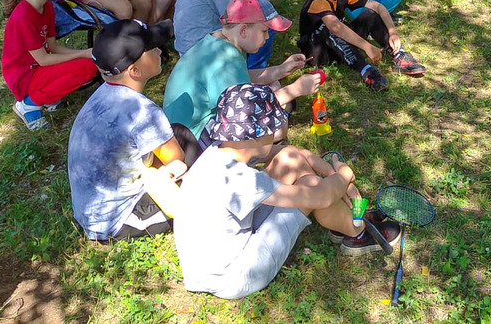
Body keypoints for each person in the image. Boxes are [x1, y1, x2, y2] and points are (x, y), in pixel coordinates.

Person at [173, 82, 403, 299]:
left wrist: (334, 175)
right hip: (233, 276)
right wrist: (344, 176)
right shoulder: (239, 180)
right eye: (272, 128)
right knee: (313, 186)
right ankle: (357, 231)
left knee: (289, 159)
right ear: (256, 135)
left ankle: (345, 223)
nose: (276, 133)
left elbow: (288, 151)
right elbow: (319, 196)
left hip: (207, 266)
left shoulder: (221, 151)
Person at [67, 18, 196, 241]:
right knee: (199, 172)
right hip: (119, 220)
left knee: (178, 132)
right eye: (151, 49)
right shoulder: (143, 112)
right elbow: (176, 159)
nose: (158, 50)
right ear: (134, 70)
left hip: (91, 210)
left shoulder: (101, 95)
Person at [163, 0, 314, 142]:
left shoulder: (220, 40)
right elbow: (246, 110)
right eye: (264, 31)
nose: (267, 37)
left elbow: (240, 79)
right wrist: (296, 89)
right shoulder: (227, 59)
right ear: (243, 30)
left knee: (272, 86)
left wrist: (281, 70)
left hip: (182, 132)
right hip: (194, 141)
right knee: (278, 129)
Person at [298, 0, 426, 92]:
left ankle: (397, 53)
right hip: (320, 54)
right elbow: (336, 28)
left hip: (339, 41)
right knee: (330, 29)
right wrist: (367, 46)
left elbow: (378, 6)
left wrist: (393, 32)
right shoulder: (317, 1)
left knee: (370, 14)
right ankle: (366, 70)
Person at [0, 0, 100, 130]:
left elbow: (53, 47)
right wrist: (83, 53)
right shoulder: (23, 16)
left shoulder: (47, 6)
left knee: (86, 63)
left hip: (38, 67)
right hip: (23, 75)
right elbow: (44, 59)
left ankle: (47, 96)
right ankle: (29, 104)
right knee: (88, 66)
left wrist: (84, 54)